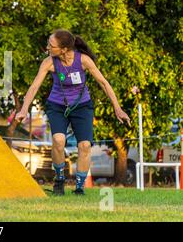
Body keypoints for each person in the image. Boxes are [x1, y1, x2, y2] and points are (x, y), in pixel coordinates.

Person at [15, 29, 131, 195]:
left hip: (82, 106)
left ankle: (79, 187)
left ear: (63, 49)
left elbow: (104, 83)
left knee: (84, 145)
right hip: (57, 105)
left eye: (51, 45)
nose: (47, 47)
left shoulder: (83, 60)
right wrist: (24, 109)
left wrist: (117, 109)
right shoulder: (49, 62)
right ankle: (59, 180)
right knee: (58, 139)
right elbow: (34, 87)